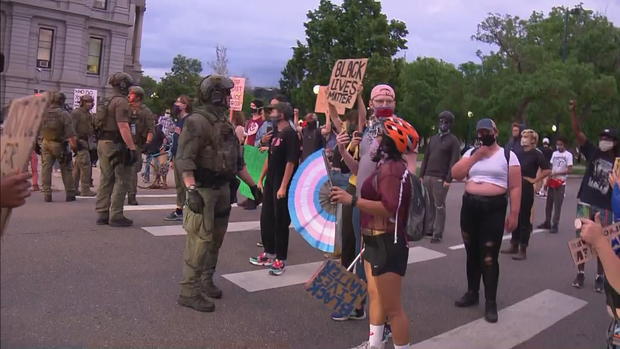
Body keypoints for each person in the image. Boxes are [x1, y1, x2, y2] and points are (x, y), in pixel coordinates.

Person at [330, 117, 419, 349]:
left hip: (388, 242)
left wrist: (353, 200)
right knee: (375, 295)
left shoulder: (392, 170)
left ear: (389, 143)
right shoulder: (383, 166)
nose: (373, 143)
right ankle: (375, 344)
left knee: (393, 309)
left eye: (378, 138)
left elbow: (389, 207)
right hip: (373, 239)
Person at [176, 75, 261, 312]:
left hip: (223, 189)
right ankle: (189, 290)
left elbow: (237, 162)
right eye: (225, 94)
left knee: (215, 240)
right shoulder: (197, 122)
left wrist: (253, 186)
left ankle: (205, 280)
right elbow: (185, 159)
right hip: (203, 190)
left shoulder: (225, 123)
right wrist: (190, 189)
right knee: (200, 241)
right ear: (215, 95)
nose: (228, 98)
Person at [451, 118, 521, 323]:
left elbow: (516, 186)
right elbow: (456, 174)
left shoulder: (508, 155)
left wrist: (514, 213)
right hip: (470, 206)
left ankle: (491, 302)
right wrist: (475, 157)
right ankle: (472, 292)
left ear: (496, 132)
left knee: (488, 256)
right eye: (480, 132)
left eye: (487, 131)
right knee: (471, 253)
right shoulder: (471, 153)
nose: (483, 135)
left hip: (494, 208)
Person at [569, 99, 618, 291]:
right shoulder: (593, 151)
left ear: (614, 142)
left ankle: (600, 276)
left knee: (601, 241)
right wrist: (573, 112)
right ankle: (580, 274)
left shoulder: (618, 162)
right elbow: (577, 133)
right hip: (585, 203)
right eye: (602, 138)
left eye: (607, 138)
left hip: (605, 207)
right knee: (580, 240)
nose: (603, 141)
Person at [249, 102, 300, 276]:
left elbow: (291, 162)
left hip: (282, 182)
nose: (272, 114)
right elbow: (269, 157)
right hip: (270, 181)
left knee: (280, 221)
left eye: (275, 111)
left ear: (283, 114)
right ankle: (269, 253)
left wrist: (284, 186)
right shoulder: (276, 133)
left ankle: (281, 259)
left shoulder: (291, 134)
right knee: (267, 218)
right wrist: (261, 178)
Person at [95, 72, 139, 227]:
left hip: (103, 143)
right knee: (122, 179)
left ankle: (102, 213)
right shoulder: (121, 102)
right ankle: (116, 215)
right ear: (123, 85)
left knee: (106, 179)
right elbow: (123, 126)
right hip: (115, 144)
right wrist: (132, 147)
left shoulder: (106, 100)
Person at [500, 129, 550, 260]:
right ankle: (513, 244)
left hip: (526, 187)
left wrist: (534, 180)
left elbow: (547, 170)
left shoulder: (536, 154)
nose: (523, 139)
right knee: (514, 214)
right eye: (522, 137)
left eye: (526, 137)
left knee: (524, 217)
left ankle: (523, 248)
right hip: (515, 186)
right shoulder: (517, 153)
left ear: (533, 140)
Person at [419, 110, 461, 243]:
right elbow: (426, 157)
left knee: (439, 205)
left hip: (440, 177)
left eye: (446, 122)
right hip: (427, 176)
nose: (443, 124)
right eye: (441, 121)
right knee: (429, 203)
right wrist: (421, 175)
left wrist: (449, 179)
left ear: (450, 124)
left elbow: (454, 161)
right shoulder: (433, 139)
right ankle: (429, 228)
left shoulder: (453, 141)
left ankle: (438, 232)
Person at [39, 91, 78, 202]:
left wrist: (38, 144)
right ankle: (70, 193)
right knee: (66, 168)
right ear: (62, 101)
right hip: (59, 144)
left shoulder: (43, 113)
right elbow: (71, 135)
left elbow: (37, 130)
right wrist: (74, 148)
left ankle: (47, 194)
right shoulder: (64, 114)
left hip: (45, 142)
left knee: (46, 168)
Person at [164, 96, 191, 221]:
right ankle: (179, 210)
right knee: (180, 186)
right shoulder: (178, 121)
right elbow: (175, 140)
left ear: (185, 105)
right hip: (177, 156)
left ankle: (189, 210)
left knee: (186, 185)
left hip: (184, 156)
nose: (176, 104)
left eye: (179, 102)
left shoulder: (188, 120)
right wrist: (172, 158)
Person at [538, 137, 573, 233]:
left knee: (557, 204)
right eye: (558, 144)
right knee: (548, 204)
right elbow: (551, 167)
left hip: (560, 182)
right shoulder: (554, 154)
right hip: (552, 181)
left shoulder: (568, 155)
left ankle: (555, 224)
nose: (559, 146)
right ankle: (547, 222)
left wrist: (557, 173)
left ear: (564, 145)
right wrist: (547, 181)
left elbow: (569, 170)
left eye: (561, 144)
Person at [126, 86, 154, 205]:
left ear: (138, 97)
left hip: (136, 144)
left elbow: (150, 130)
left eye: (131, 94)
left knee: (132, 171)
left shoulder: (146, 112)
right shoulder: (124, 108)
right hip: (122, 144)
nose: (128, 96)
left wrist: (147, 143)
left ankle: (132, 196)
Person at [71, 95, 97, 197]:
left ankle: (73, 188)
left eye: (91, 102)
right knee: (86, 167)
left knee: (77, 167)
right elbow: (72, 129)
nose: (90, 104)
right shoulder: (77, 113)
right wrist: (75, 143)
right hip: (80, 142)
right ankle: (85, 189)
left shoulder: (88, 114)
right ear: (82, 102)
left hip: (87, 142)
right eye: (87, 102)